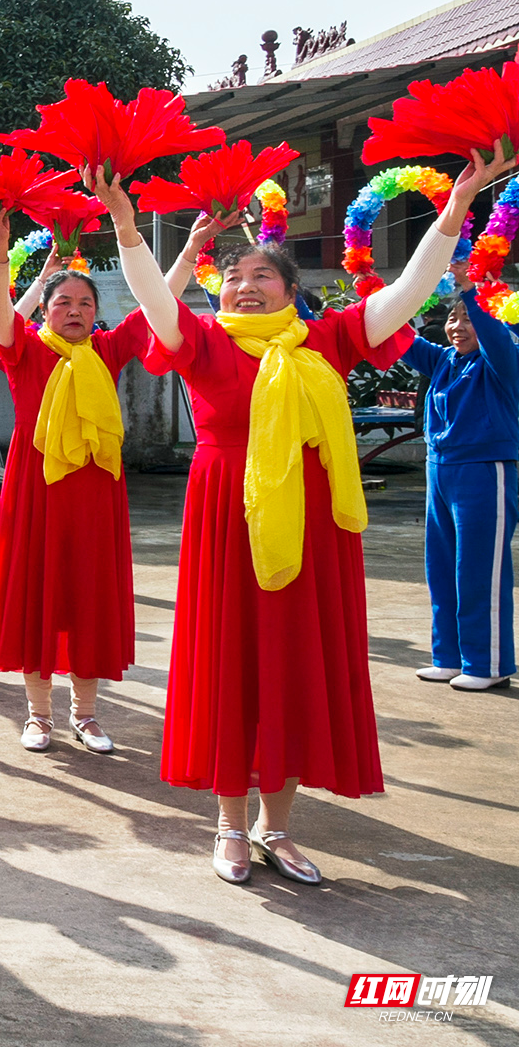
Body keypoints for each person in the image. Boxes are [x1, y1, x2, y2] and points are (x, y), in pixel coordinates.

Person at [99, 153, 502, 885]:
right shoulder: (203, 341)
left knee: (292, 663)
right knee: (233, 664)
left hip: (312, 527)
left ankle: (275, 826)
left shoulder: (329, 341)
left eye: (263, 276)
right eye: (235, 276)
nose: (245, 285)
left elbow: (410, 290)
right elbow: (154, 297)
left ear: (292, 290)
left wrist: (453, 213)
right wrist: (127, 225)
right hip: (228, 518)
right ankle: (227, 823)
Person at [0, 207, 201, 752]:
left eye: (85, 303)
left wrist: (190, 250)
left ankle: (87, 713)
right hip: (38, 490)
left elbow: (157, 302)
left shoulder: (107, 350)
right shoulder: (24, 351)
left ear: (97, 312)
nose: (74, 310)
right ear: (46, 312)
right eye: (63, 303)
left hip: (97, 491)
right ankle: (38, 714)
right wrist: (0, 248)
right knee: (40, 597)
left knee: (89, 597)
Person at [401, 264, 519, 691]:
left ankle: (488, 664)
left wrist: (470, 289)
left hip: (485, 472)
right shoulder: (444, 361)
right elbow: (397, 337)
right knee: (442, 568)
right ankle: (449, 657)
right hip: (440, 472)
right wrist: (373, 296)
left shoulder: (505, 360)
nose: (457, 325)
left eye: (468, 318)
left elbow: (494, 333)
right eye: (453, 317)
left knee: (479, 570)